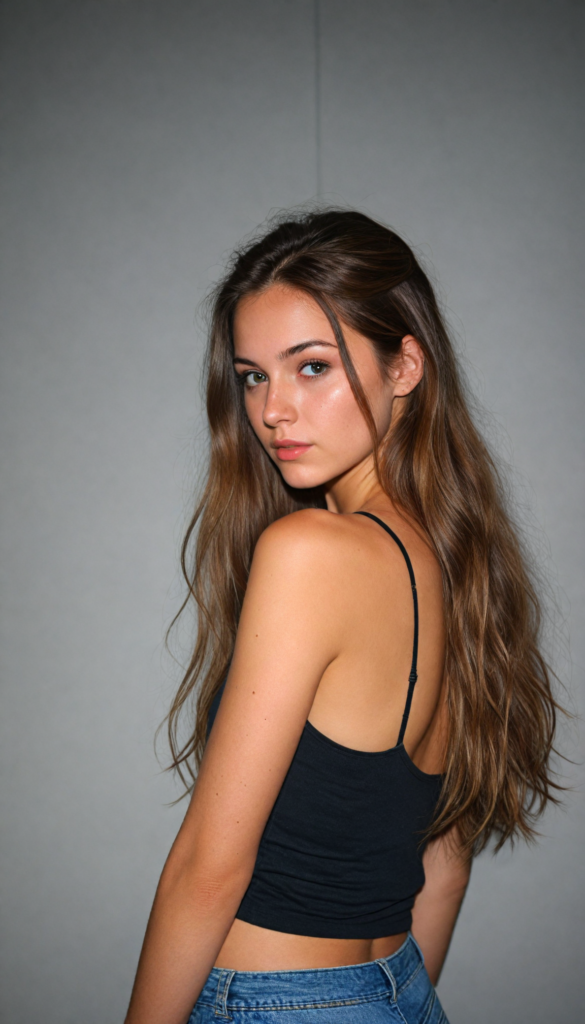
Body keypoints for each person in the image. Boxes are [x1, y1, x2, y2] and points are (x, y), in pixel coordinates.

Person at [124, 210, 560, 1024]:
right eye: (252, 376)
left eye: (311, 367)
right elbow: (444, 862)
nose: (272, 411)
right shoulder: (460, 564)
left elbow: (208, 870)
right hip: (398, 986)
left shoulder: (310, 552)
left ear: (405, 365)